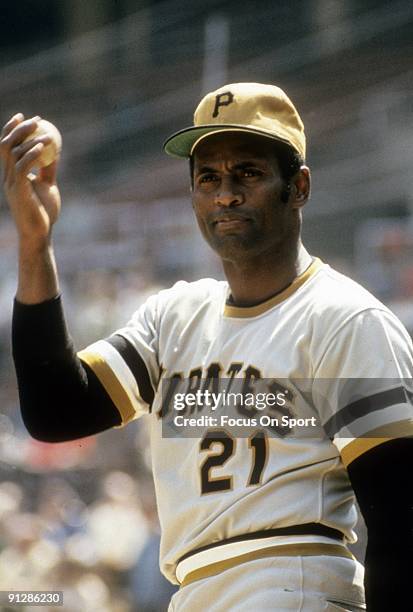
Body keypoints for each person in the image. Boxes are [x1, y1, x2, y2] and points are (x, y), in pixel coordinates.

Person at [2, 82, 413, 611]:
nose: (225, 194)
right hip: (194, 591)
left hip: (294, 582)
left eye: (249, 172)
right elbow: (55, 410)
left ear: (300, 186)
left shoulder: (345, 319)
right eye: (208, 177)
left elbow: (401, 523)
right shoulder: (175, 316)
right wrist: (36, 241)